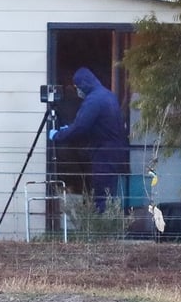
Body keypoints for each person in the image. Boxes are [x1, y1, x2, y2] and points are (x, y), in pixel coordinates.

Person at [49, 67, 129, 212]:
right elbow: (95, 126)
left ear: (84, 84)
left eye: (77, 86)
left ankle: (102, 230)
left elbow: (81, 126)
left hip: (104, 154)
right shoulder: (108, 96)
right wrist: (70, 129)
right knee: (109, 193)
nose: (77, 90)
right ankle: (110, 226)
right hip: (114, 152)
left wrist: (58, 135)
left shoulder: (93, 101)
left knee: (102, 195)